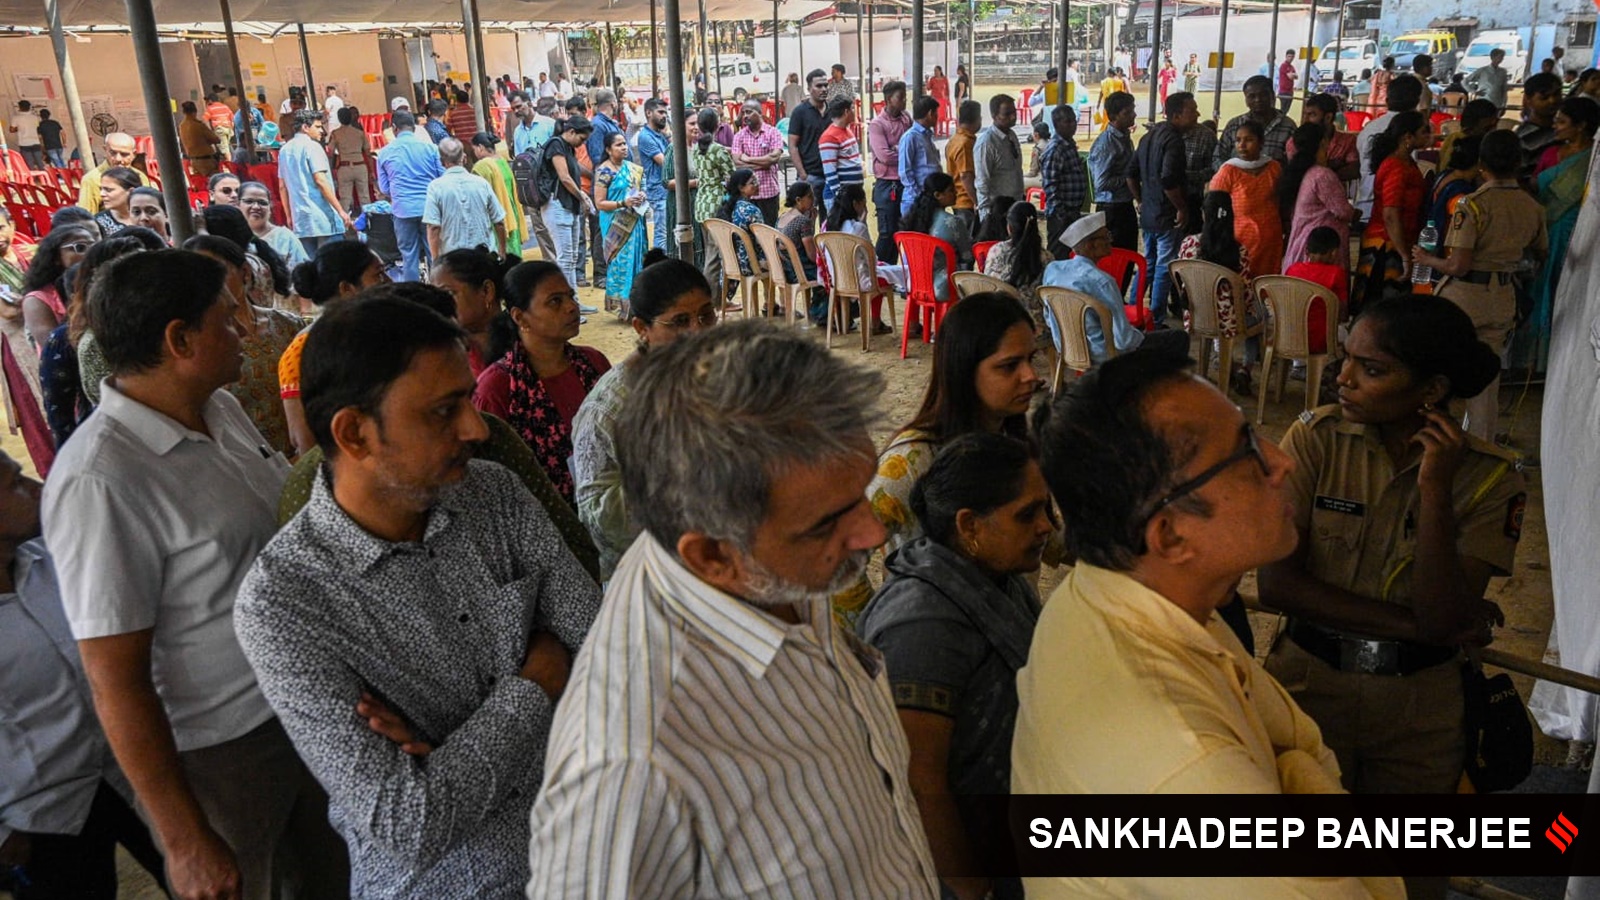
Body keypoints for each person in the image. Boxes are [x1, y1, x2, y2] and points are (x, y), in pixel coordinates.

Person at [527, 321, 941, 897]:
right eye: (830, 520)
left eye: (860, 495)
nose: (871, 533)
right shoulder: (628, 769)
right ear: (713, 555)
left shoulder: (768, 553)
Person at [235, 292, 600, 897]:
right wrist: (537, 682)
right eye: (442, 411)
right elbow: (411, 823)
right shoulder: (283, 603)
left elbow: (607, 653)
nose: (476, 428)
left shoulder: (493, 494)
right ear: (354, 433)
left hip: (589, 836)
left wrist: (450, 761)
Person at [1017, 351, 1404, 900]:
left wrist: (1290, 770)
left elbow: (1300, 742)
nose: (1281, 463)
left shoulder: (1128, 596)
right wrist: (1293, 776)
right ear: (1170, 536)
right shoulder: (1180, 763)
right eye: (1247, 452)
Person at [42, 250, 349, 900]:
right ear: (179, 340)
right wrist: (182, 839)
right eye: (225, 318)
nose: (244, 328)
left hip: (301, 707)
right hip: (222, 753)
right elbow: (115, 680)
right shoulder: (99, 479)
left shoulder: (221, 411)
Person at [1259, 300, 1523, 899]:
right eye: (1349, 359)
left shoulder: (1487, 478)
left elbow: (1442, 614)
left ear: (1432, 389)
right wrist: (1427, 624)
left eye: (1372, 370)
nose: (1344, 378)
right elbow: (1278, 586)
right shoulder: (1317, 437)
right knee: (1301, 879)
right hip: (1309, 688)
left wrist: (1434, 490)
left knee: (1408, 884)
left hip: (1419, 713)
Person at [858, 433, 1049, 900]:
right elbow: (919, 781)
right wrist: (970, 888)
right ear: (969, 526)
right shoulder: (923, 626)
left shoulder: (998, 579)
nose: (1047, 526)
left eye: (1046, 508)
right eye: (1028, 514)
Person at [0, 448, 170, 899]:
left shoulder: (51, 562)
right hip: (43, 816)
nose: (36, 489)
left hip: (130, 769)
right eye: (15, 485)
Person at [864, 293, 1042, 574]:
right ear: (964, 370)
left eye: (1031, 359)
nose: (1031, 375)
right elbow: (839, 552)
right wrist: (881, 617)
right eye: (1010, 366)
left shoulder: (1012, 442)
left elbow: (1044, 531)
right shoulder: (911, 463)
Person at [572, 253, 715, 581]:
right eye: (680, 322)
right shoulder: (610, 409)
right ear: (642, 328)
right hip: (649, 575)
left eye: (706, 315)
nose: (698, 331)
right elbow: (599, 520)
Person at [1411, 130, 1546, 442]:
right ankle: (1481, 448)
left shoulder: (1472, 206)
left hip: (1463, 297)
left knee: (1439, 371)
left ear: (1482, 164)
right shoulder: (1532, 207)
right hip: (1502, 296)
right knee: (1487, 381)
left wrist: (1427, 260)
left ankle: (1431, 440)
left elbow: (1458, 265)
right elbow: (1539, 255)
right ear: (1518, 162)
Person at [473, 261, 610, 504]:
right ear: (519, 316)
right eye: (555, 301)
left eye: (570, 296)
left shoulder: (593, 363)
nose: (571, 307)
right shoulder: (497, 388)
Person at [280, 243, 391, 453]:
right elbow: (305, 442)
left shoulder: (380, 330)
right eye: (379, 275)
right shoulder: (302, 351)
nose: (389, 283)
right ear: (347, 289)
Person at [1516, 96, 1598, 375]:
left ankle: (1556, 363)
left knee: (1566, 295)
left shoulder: (1593, 161)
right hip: (1545, 230)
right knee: (1539, 292)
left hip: (1575, 235)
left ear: (1582, 126)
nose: (1556, 126)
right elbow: (1534, 186)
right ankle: (1530, 361)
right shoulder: (1552, 153)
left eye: (1562, 122)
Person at [1045, 212, 1191, 363]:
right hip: (1103, 354)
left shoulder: (1053, 270)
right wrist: (1140, 335)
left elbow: (1049, 318)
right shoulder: (1103, 282)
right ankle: (1157, 384)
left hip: (1065, 348)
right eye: (1106, 237)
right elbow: (1124, 340)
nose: (1111, 241)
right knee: (1178, 338)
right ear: (1090, 245)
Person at [1132, 91, 1198, 326]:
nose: (1197, 114)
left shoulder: (1148, 137)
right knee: (1164, 265)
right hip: (1166, 213)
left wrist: (1140, 200)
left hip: (1149, 212)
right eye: (1193, 111)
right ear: (1177, 115)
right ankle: (1156, 317)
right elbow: (1169, 179)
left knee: (1148, 262)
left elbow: (1131, 174)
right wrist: (1181, 207)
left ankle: (1134, 309)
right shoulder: (1173, 140)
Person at [1353, 111, 1430, 311]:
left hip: (1394, 241)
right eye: (1424, 131)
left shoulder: (1405, 163)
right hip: (1386, 246)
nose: (1429, 135)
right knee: (1383, 309)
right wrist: (1404, 254)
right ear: (1407, 137)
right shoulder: (1396, 167)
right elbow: (1390, 213)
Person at [1209, 119, 1284, 277]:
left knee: (1266, 284)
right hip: (1239, 241)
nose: (1242, 145)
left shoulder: (1274, 168)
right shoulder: (1228, 171)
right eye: (1238, 140)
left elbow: (1280, 200)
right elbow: (1213, 207)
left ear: (1261, 142)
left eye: (1249, 140)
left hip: (1270, 239)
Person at [1282, 122, 1358, 268]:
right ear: (1323, 142)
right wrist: (1355, 213)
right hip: (1321, 249)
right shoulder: (1322, 175)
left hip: (1305, 243)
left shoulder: (1303, 172)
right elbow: (1343, 211)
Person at [278, 110, 354, 256]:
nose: (322, 131)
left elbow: (282, 187)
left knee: (310, 267)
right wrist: (340, 211)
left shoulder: (284, 150)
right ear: (305, 128)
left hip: (301, 219)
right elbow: (320, 181)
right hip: (323, 217)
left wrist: (289, 216)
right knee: (333, 265)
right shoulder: (312, 147)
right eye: (318, 127)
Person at [539, 115, 597, 295]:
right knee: (565, 258)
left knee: (571, 257)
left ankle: (574, 299)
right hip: (557, 206)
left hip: (567, 206)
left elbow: (575, 169)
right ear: (571, 132)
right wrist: (583, 197)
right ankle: (568, 300)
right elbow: (564, 177)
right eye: (581, 139)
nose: (582, 144)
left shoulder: (568, 148)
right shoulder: (556, 145)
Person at [422, 137, 507, 261]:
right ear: (465, 158)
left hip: (453, 260)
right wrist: (502, 251)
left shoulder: (435, 188)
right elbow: (499, 222)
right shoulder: (481, 183)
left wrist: (436, 261)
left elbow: (433, 227)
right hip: (484, 256)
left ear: (441, 162)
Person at [983, 200, 1054, 347]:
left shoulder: (996, 251)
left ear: (1009, 227)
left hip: (997, 322)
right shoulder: (1046, 258)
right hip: (1033, 326)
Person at [593, 131, 648, 318]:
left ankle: (637, 305)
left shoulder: (632, 168)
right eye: (618, 145)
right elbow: (599, 203)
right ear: (608, 149)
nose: (624, 147)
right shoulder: (604, 171)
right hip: (615, 226)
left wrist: (641, 196)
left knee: (637, 259)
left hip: (634, 222)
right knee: (620, 263)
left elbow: (639, 189)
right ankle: (622, 307)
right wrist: (623, 203)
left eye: (624, 143)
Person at [1355, 72, 1423, 219]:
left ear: (1387, 100)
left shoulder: (1368, 129)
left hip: (1365, 208)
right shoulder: (1410, 133)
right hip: (1392, 214)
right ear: (1417, 102)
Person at [902, 172, 972, 303]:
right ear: (938, 195)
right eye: (951, 190)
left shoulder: (913, 220)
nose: (956, 193)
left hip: (914, 282)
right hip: (942, 285)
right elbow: (967, 256)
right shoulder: (953, 223)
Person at [1284, 226, 1351, 354]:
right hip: (1321, 339)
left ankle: (1298, 365)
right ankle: (1331, 368)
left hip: (1288, 335)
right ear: (1334, 253)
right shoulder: (1336, 273)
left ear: (1306, 251)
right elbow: (1342, 310)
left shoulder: (1292, 269)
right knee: (1349, 335)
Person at [1089, 91, 1139, 251]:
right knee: (1115, 256)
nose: (1133, 115)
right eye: (1127, 112)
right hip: (1111, 208)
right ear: (1114, 116)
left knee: (1129, 252)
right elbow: (1101, 183)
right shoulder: (1107, 144)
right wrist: (1129, 179)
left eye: (1133, 110)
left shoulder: (1124, 137)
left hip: (1124, 203)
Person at [869, 80, 914, 262]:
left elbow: (913, 147)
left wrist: (899, 150)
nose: (904, 101)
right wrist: (903, 154)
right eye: (900, 98)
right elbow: (885, 156)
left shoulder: (906, 118)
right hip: (888, 185)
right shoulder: (877, 124)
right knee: (887, 232)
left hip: (905, 183)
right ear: (888, 99)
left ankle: (894, 273)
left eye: (905, 97)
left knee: (903, 231)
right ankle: (880, 272)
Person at [1216, 75, 1297, 168]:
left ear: (1272, 96)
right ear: (1246, 100)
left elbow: (1294, 163)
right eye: (1252, 96)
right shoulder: (1234, 125)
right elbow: (1218, 157)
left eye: (1263, 95)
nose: (1258, 100)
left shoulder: (1288, 127)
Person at [468, 132, 527, 259]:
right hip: (512, 215)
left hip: (496, 218)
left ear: (480, 147)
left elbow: (476, 195)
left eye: (474, 149)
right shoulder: (502, 161)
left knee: (499, 257)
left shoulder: (482, 166)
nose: (474, 153)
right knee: (514, 257)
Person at [1039, 104, 1088, 248]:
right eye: (1068, 121)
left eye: (1074, 120)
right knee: (1059, 253)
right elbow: (1050, 185)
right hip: (1061, 215)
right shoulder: (1055, 149)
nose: (1073, 125)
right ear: (1057, 124)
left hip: (1073, 210)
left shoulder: (1069, 145)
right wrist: (1061, 213)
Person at [731, 98, 787, 224]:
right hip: (747, 195)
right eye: (743, 113)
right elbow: (737, 163)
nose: (745, 116)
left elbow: (774, 158)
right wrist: (764, 164)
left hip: (769, 192)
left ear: (760, 113)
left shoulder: (773, 133)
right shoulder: (739, 136)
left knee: (770, 230)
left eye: (749, 112)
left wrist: (748, 159)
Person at [788, 69, 831, 223]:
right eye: (819, 86)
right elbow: (792, 146)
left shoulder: (833, 110)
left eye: (826, 85)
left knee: (830, 223)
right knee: (806, 224)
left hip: (831, 177)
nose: (824, 89)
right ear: (808, 88)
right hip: (810, 176)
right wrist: (803, 175)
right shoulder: (799, 112)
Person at [973, 94, 1023, 224]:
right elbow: (982, 182)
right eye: (1007, 114)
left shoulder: (1012, 136)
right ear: (995, 116)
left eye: (1014, 112)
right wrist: (985, 218)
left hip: (1015, 207)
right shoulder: (987, 143)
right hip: (997, 212)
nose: (1013, 117)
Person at [240, 181, 310, 269]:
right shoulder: (232, 237)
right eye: (249, 201)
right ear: (238, 204)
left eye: (262, 203)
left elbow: (302, 273)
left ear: (270, 207)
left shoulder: (285, 237)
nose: (256, 207)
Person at [1295, 93, 1361, 182]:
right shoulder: (1296, 140)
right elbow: (1296, 171)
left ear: (1328, 117)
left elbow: (1354, 170)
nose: (1305, 120)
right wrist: (1334, 167)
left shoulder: (1348, 141)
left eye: (1312, 115)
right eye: (1305, 114)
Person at [76, 134, 148, 213]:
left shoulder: (140, 176)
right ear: (105, 150)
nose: (118, 159)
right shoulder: (92, 180)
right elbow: (86, 218)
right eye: (113, 153)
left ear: (134, 155)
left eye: (124, 154)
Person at [898, 96, 944, 218]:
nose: (937, 118)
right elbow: (904, 172)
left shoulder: (926, 136)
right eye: (936, 113)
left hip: (930, 199)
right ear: (930, 114)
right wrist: (919, 196)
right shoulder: (910, 137)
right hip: (915, 201)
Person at [635, 99, 671, 251]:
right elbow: (667, 162)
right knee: (662, 233)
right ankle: (661, 268)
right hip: (659, 191)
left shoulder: (658, 134)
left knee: (668, 231)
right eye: (661, 112)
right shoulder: (645, 136)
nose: (665, 116)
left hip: (666, 189)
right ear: (649, 113)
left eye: (665, 112)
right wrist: (669, 136)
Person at [943, 100, 982, 236]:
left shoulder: (955, 139)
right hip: (966, 201)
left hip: (959, 199)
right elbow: (965, 176)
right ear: (978, 119)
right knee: (970, 241)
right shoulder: (965, 143)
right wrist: (977, 201)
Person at [818, 96, 864, 209]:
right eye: (853, 109)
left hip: (853, 194)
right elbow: (830, 172)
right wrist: (841, 198)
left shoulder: (847, 130)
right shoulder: (829, 137)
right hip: (840, 198)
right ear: (846, 111)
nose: (855, 112)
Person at [1517, 72, 1566, 173]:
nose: (1552, 101)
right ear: (1528, 100)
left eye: (1557, 94)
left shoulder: (1565, 130)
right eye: (1544, 97)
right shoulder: (1524, 138)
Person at [327, 106, 372, 212]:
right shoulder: (360, 133)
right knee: (365, 197)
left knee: (345, 198)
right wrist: (371, 171)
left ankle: (345, 223)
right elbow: (368, 153)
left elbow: (330, 152)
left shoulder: (335, 134)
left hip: (344, 167)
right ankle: (369, 221)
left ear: (339, 119)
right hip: (360, 166)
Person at [91, 167, 142, 237]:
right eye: (101, 189)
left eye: (108, 190)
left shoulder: (148, 217)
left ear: (130, 191)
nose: (102, 194)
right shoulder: (98, 223)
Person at [178, 101, 222, 177]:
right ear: (195, 111)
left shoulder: (182, 126)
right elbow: (216, 139)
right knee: (214, 183)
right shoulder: (199, 125)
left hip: (193, 161)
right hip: (207, 162)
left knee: (201, 184)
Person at [1277, 48, 1300, 114]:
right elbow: (1291, 76)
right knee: (1283, 109)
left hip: (1290, 91)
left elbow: (1296, 76)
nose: (1290, 58)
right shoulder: (1284, 65)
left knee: (1286, 110)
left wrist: (1293, 75)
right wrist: (1293, 75)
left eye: (1292, 57)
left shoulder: (1292, 67)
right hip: (1284, 91)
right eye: (1289, 56)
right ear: (1286, 56)